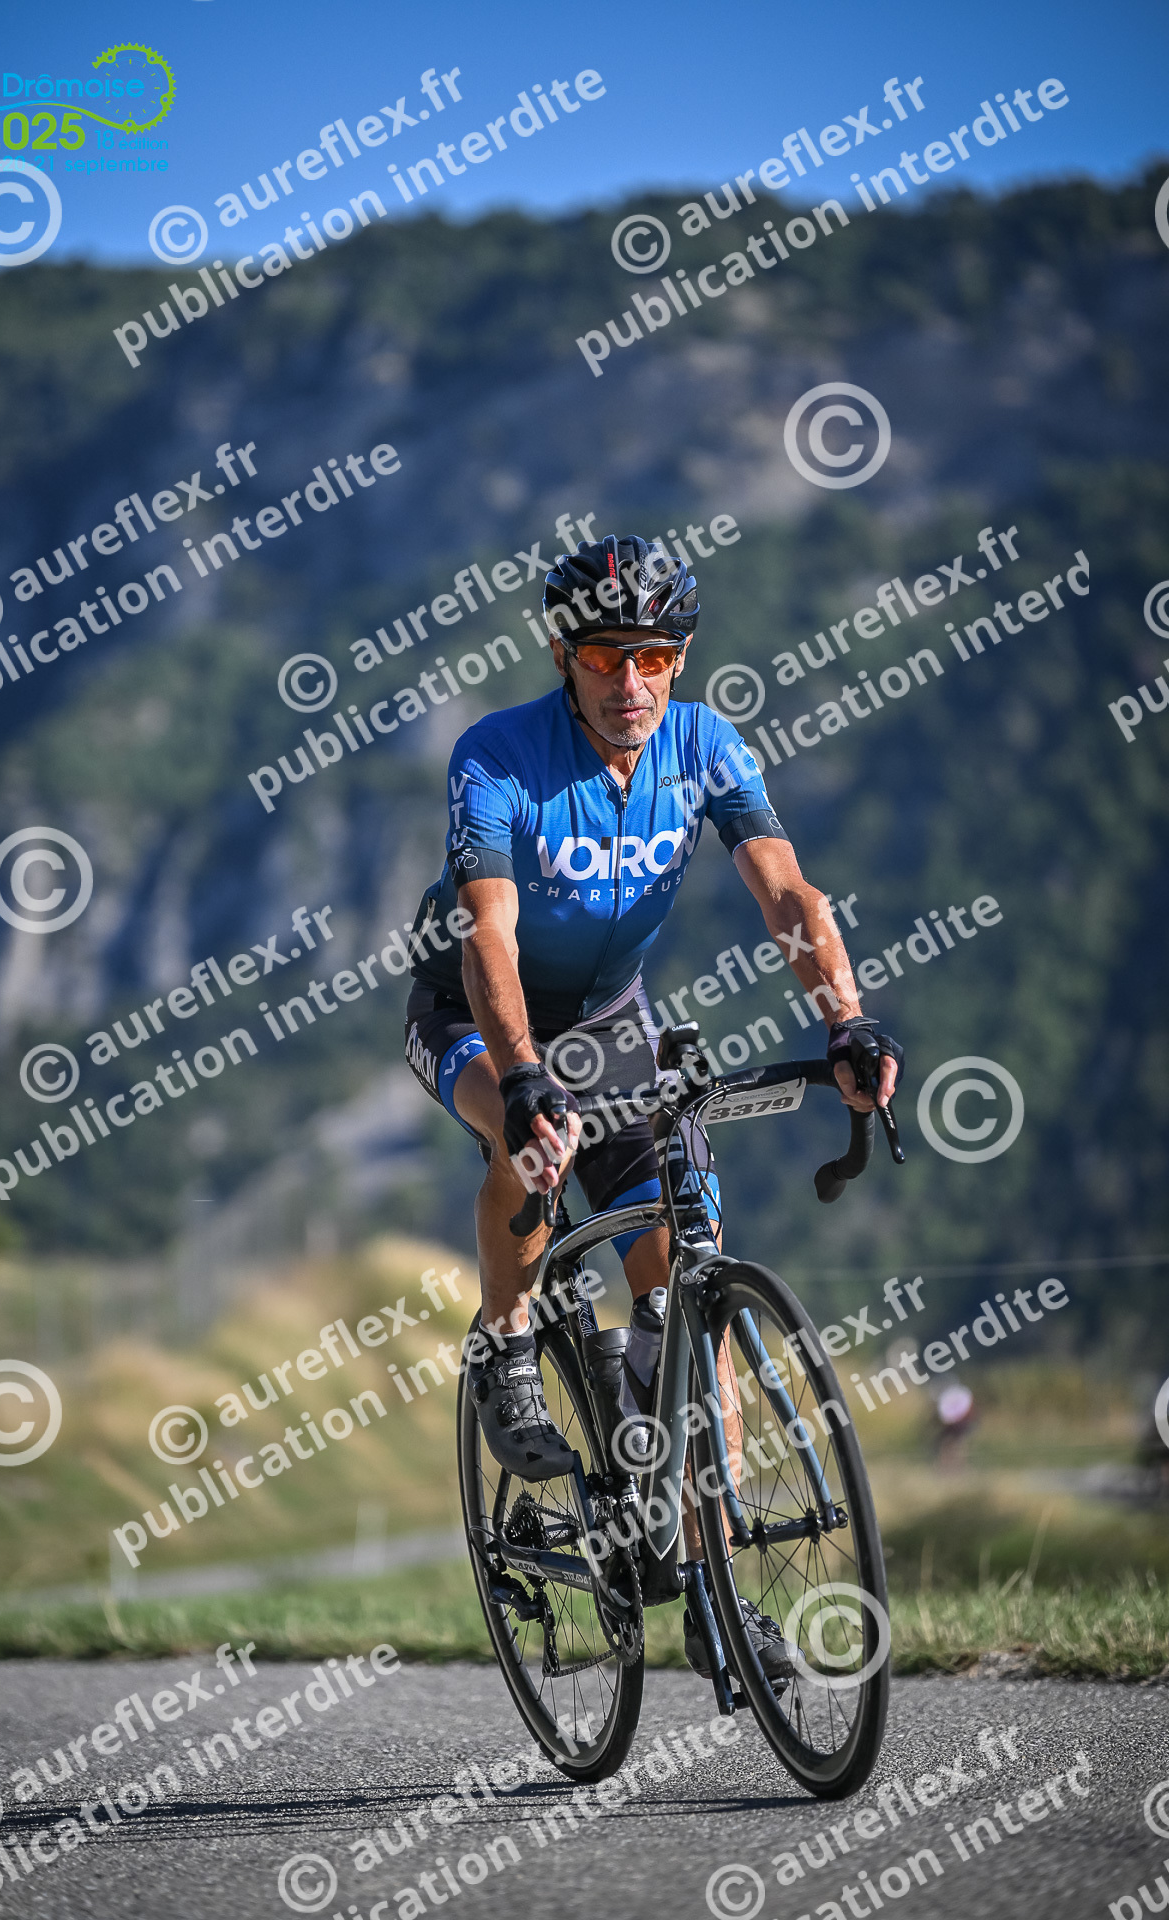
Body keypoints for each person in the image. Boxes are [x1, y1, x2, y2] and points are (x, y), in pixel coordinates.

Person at [402, 534, 901, 1662]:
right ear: (562, 656)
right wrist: (521, 1074)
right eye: (602, 657)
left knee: (685, 1295)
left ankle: (712, 1588)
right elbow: (489, 933)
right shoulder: (496, 757)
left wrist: (845, 1022)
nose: (630, 682)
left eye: (654, 657)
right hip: (473, 1009)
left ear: (679, 658)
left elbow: (786, 891)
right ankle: (509, 1345)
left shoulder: (705, 744)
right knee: (528, 1147)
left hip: (609, 1021)